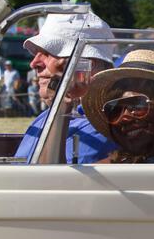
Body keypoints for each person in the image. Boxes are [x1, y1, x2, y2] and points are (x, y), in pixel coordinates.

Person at [15, 12, 118, 163]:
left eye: (48, 53)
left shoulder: (100, 127)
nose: (34, 63)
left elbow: (48, 181)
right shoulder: (45, 117)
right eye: (37, 53)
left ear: (86, 64)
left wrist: (62, 105)